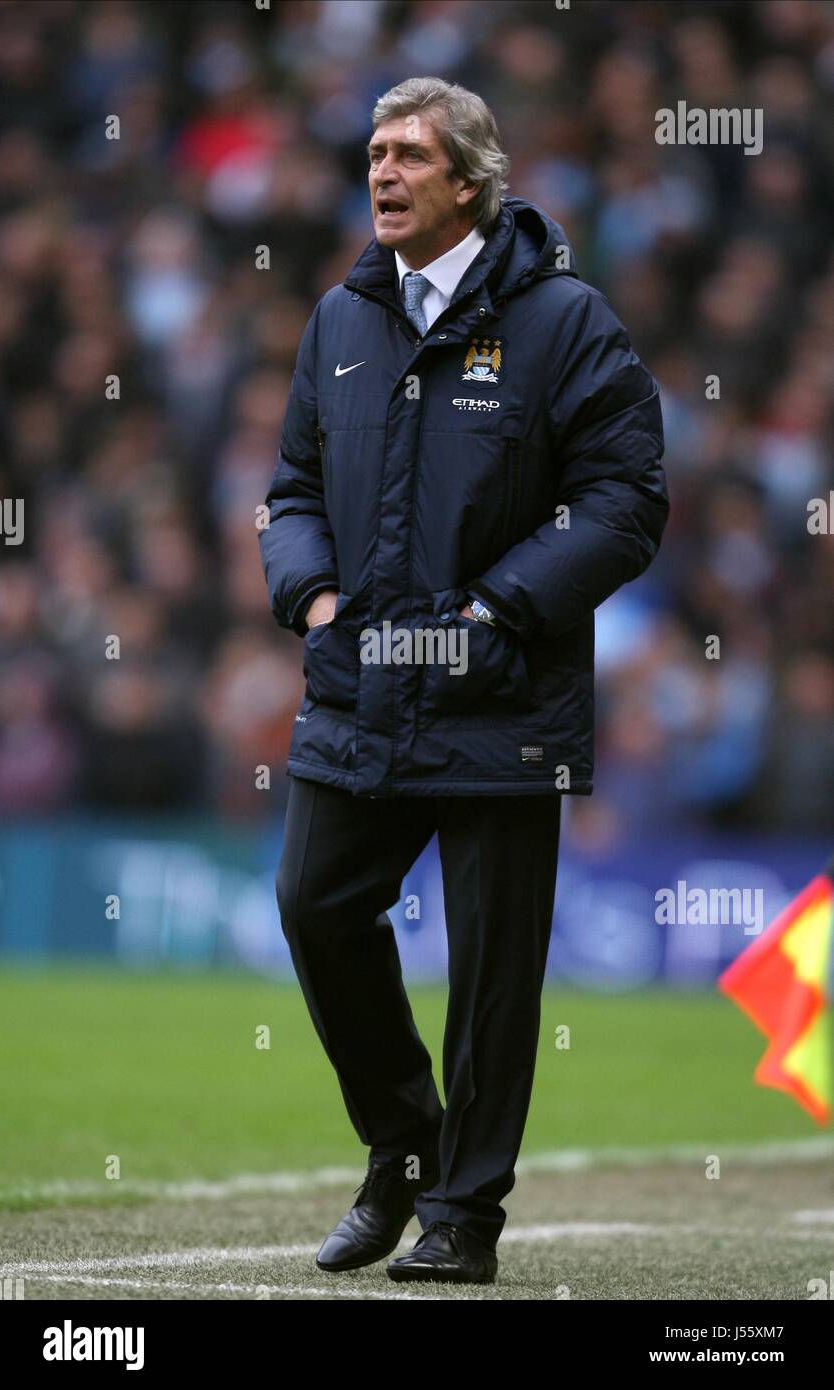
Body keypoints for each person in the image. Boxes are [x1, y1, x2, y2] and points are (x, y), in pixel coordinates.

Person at [259, 76, 669, 1285]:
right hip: (361, 687)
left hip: (502, 698)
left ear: (470, 185)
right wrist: (316, 600)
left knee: (493, 978)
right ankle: (404, 1142)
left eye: (407, 157)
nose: (380, 173)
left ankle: (462, 1217)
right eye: (373, 153)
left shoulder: (565, 322)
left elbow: (627, 500)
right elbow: (289, 489)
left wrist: (499, 608)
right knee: (313, 907)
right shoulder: (339, 319)